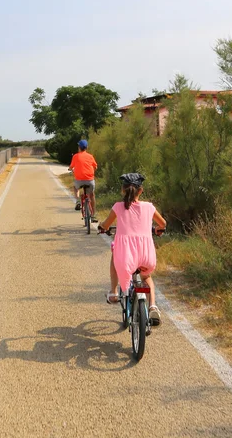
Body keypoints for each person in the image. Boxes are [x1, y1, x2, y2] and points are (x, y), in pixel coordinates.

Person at [98, 173, 166, 326]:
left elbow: (106, 225)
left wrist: (102, 227)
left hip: (126, 256)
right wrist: (158, 229)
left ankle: (114, 293)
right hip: (146, 254)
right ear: (140, 191)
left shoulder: (118, 207)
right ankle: (153, 306)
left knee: (115, 259)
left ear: (123, 190)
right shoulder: (149, 207)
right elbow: (163, 223)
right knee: (146, 277)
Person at [68, 139, 98, 216]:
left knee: (75, 187)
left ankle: (78, 201)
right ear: (86, 147)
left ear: (79, 147)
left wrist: (70, 169)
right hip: (90, 180)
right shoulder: (90, 156)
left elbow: (71, 167)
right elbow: (95, 166)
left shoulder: (75, 156)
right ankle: (94, 213)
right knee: (92, 194)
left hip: (79, 180)